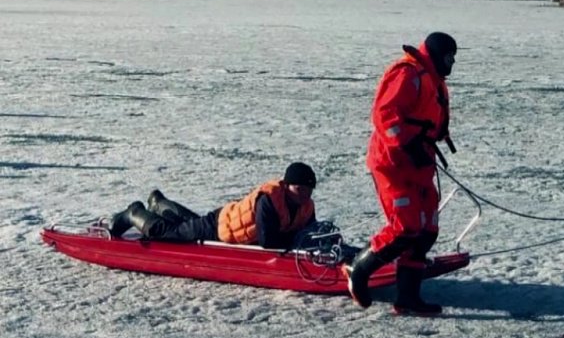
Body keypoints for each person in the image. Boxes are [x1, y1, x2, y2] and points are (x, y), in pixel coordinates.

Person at [345, 32, 458, 316]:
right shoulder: (408, 73)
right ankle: (359, 269)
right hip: (392, 164)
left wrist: (431, 140)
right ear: (435, 54)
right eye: (448, 57)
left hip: (420, 164)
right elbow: (384, 115)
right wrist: (407, 144)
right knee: (405, 227)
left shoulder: (434, 81)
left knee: (426, 231)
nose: (452, 63)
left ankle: (407, 298)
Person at [106, 162, 317, 250]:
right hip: (219, 228)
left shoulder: (306, 205)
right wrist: (297, 241)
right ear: (287, 186)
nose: (305, 195)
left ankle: (159, 204)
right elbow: (268, 242)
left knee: (189, 223)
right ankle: (134, 213)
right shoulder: (269, 201)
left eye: (308, 191)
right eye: (300, 190)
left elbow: (309, 231)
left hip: (225, 219)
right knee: (171, 232)